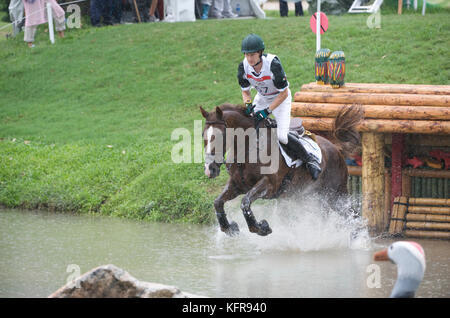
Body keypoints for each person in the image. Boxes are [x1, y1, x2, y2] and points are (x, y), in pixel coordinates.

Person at [237, 34, 321, 179]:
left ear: (260, 52)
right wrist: (249, 104)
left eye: (252, 54)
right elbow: (245, 91)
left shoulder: (273, 64)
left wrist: (267, 111)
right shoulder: (243, 66)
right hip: (262, 98)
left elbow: (283, 93)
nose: (249, 58)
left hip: (280, 99)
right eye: (246, 54)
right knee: (247, 125)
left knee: (282, 136)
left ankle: (310, 160)